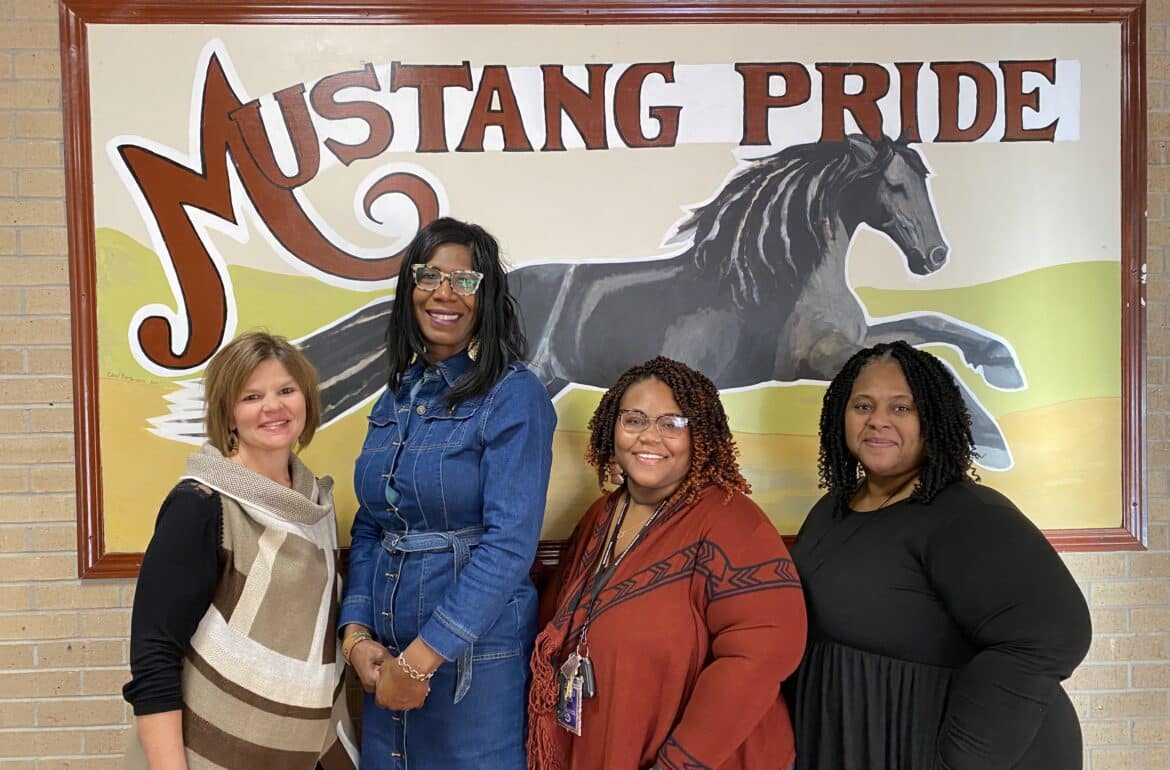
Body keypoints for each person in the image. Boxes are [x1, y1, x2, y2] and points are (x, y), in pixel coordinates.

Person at [787, 340, 1092, 770]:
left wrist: (962, 757)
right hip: (861, 739)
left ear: (932, 418)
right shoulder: (831, 509)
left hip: (940, 749)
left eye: (901, 408)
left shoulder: (968, 515)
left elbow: (1053, 635)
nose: (877, 420)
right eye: (862, 406)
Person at [339, 217, 557, 769]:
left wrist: (421, 660)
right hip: (385, 657)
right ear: (410, 289)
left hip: (472, 662)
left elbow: (509, 546)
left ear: (486, 298)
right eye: (430, 276)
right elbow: (371, 524)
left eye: (465, 281)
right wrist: (356, 635)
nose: (444, 292)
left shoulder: (514, 395)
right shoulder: (397, 396)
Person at [528, 356, 807, 770]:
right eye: (634, 420)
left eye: (672, 423)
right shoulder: (602, 515)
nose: (649, 436)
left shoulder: (735, 524)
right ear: (612, 429)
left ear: (700, 436)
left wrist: (678, 765)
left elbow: (758, 660)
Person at [122, 331, 357, 770]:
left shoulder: (314, 507)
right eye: (252, 396)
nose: (273, 406)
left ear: (306, 400)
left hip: (299, 751)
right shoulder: (200, 505)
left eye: (286, 390)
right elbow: (154, 655)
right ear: (228, 414)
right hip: (204, 753)